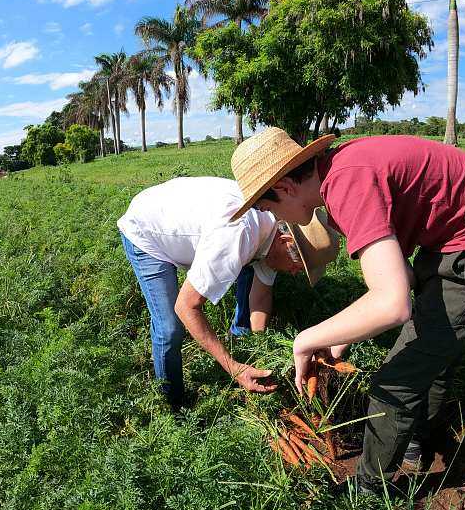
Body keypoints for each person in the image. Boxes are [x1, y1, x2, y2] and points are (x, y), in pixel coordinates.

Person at [229, 127, 465, 491]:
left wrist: (305, 340)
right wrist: (342, 337)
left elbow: (393, 304)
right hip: (454, 237)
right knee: (431, 347)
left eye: (267, 207)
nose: (274, 219)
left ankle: (370, 488)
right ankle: (417, 440)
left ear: (287, 187)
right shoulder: (338, 176)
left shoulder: (347, 184)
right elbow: (400, 274)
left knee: (395, 380)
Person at [117, 175, 339, 408]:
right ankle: (171, 402)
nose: (295, 272)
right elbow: (187, 306)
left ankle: (238, 341)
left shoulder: (273, 230)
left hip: (183, 219)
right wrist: (232, 367)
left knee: (245, 272)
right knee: (169, 327)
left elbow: (261, 297)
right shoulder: (237, 235)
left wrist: (262, 347)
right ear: (285, 241)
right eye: (299, 265)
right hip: (147, 230)